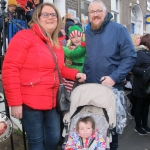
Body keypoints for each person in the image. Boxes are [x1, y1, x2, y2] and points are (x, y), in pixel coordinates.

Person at [2, 2, 86, 150]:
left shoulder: (56, 43)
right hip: (30, 102)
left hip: (52, 100)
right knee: (36, 143)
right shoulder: (24, 37)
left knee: (54, 138)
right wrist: (15, 103)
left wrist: (75, 74)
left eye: (53, 15)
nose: (50, 18)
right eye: (45, 14)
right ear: (37, 18)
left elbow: (59, 69)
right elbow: (10, 70)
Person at [83, 0, 137, 150]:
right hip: (91, 89)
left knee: (111, 131)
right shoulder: (87, 32)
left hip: (111, 89)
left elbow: (130, 56)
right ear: (88, 15)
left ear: (106, 12)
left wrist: (114, 77)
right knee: (93, 129)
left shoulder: (118, 30)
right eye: (92, 12)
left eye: (98, 11)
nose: (95, 15)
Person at [132, 34, 150, 136]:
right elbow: (133, 68)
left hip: (147, 86)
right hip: (140, 86)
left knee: (146, 107)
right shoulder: (140, 54)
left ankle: (145, 125)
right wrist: (146, 72)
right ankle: (138, 126)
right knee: (139, 106)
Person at [63, 25, 86, 92]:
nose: (77, 39)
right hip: (70, 80)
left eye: (79, 36)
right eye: (73, 37)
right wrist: (83, 46)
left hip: (83, 78)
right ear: (70, 39)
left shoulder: (86, 48)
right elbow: (73, 54)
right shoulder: (66, 49)